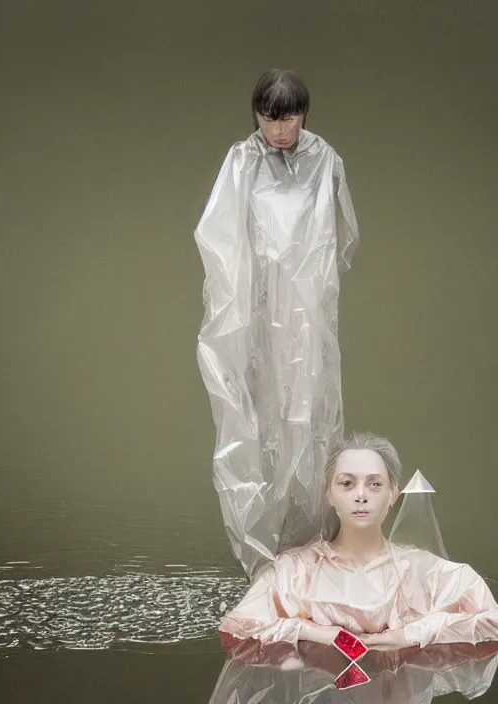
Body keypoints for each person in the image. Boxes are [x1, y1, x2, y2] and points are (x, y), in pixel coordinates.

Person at [195, 69, 359, 578]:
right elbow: (221, 236)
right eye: (270, 120)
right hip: (258, 306)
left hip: (307, 308)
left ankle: (314, 543)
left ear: (302, 116)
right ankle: (262, 554)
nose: (279, 131)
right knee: (259, 413)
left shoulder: (323, 158)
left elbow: (340, 235)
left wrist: (312, 287)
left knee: (309, 413)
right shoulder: (242, 160)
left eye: (287, 120)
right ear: (258, 116)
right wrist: (242, 302)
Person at [219, 432, 498, 652]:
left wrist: (413, 633)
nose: (360, 495)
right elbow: (237, 627)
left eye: (374, 484)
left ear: (393, 494)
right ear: (330, 494)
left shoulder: (427, 573)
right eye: (347, 483)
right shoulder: (294, 570)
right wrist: (313, 632)